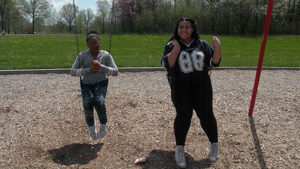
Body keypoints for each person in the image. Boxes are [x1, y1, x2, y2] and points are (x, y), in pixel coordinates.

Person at [161, 18, 222, 168]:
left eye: (187, 27)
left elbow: (214, 62)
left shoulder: (202, 45)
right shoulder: (171, 44)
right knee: (183, 117)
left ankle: (214, 145)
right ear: (177, 29)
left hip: (202, 86)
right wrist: (176, 50)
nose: (184, 30)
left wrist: (218, 47)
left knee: (206, 115)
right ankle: (179, 148)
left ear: (193, 29)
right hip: (180, 86)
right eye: (181, 27)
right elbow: (168, 65)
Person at [70, 30, 118, 140]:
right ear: (87, 45)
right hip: (86, 84)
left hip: (101, 83)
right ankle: (91, 127)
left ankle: (103, 125)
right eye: (91, 43)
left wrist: (102, 68)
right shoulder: (82, 55)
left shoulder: (106, 55)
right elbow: (72, 71)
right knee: (88, 102)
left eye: (96, 42)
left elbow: (116, 72)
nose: (94, 45)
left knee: (99, 101)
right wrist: (88, 70)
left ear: (100, 43)